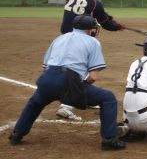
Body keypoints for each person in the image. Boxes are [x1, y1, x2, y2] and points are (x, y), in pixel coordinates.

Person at [9, 15, 126, 151]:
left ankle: (16, 135)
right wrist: (79, 87)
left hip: (47, 78)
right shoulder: (92, 42)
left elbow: (45, 67)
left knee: (35, 103)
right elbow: (93, 77)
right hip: (68, 81)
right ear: (90, 29)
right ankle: (109, 140)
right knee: (107, 98)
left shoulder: (59, 39)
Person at [57, 0, 125, 120]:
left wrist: (109, 18)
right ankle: (66, 106)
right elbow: (105, 22)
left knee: (81, 67)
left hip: (65, 38)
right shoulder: (95, 3)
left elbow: (95, 12)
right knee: (79, 70)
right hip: (79, 40)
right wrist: (117, 26)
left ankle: (84, 97)